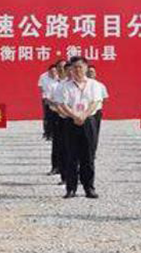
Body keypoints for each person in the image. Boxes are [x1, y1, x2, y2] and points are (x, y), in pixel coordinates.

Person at [52, 56, 103, 199]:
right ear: (71, 70)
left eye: (80, 67)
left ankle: (89, 188)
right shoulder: (64, 86)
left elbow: (95, 102)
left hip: (88, 120)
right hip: (71, 121)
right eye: (75, 67)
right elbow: (62, 104)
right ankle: (71, 188)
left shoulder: (94, 84)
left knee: (88, 156)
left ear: (86, 68)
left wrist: (84, 115)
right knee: (71, 156)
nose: (78, 70)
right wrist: (75, 116)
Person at [86, 64, 108, 156]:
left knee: (94, 133)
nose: (90, 73)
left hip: (96, 112)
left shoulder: (100, 85)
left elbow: (105, 98)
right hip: (85, 111)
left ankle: (92, 151)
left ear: (95, 74)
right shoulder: (83, 84)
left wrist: (98, 105)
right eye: (89, 72)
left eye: (92, 72)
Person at [40, 64, 59, 141]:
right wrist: (47, 99)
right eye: (51, 71)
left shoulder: (59, 78)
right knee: (48, 117)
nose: (53, 72)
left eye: (55, 71)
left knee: (56, 117)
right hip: (47, 99)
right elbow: (41, 88)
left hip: (57, 100)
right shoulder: (44, 77)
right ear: (49, 71)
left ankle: (55, 133)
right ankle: (47, 133)